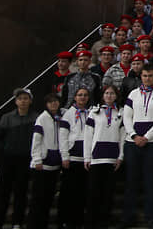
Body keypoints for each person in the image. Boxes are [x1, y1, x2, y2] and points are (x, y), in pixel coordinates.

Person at [121, 64, 153, 229]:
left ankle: (150, 216)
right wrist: (134, 135)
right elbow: (127, 117)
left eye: (150, 75)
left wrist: (147, 137)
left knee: (151, 181)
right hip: (132, 143)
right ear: (140, 76)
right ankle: (128, 216)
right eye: (144, 76)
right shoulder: (133, 94)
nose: (147, 78)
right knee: (131, 181)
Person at [0, 88, 37, 229]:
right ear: (16, 101)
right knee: (3, 193)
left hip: (25, 160)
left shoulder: (36, 117)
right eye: (20, 98)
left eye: (25, 98)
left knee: (21, 193)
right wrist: (5, 149)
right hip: (8, 160)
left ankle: (17, 222)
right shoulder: (7, 117)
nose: (23, 101)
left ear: (30, 101)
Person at [84, 85, 125, 229]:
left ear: (116, 96)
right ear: (103, 96)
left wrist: (120, 156)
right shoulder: (94, 112)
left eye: (112, 93)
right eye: (107, 93)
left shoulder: (120, 113)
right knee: (93, 192)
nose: (109, 96)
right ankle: (90, 222)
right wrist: (87, 157)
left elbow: (122, 137)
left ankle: (104, 221)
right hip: (96, 157)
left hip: (112, 158)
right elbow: (88, 136)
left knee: (108, 193)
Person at [27, 93, 63, 229]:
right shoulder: (42, 118)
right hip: (41, 164)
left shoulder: (60, 117)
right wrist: (37, 159)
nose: (53, 104)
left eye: (55, 102)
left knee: (48, 198)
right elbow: (36, 140)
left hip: (54, 164)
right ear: (46, 104)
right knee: (38, 199)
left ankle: (43, 223)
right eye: (50, 102)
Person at [57, 87, 91, 229]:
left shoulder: (91, 113)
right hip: (71, 159)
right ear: (75, 97)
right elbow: (63, 137)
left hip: (85, 160)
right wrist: (64, 156)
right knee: (68, 192)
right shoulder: (69, 114)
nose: (82, 97)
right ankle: (64, 220)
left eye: (85, 95)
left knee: (82, 192)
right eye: (80, 95)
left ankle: (78, 220)